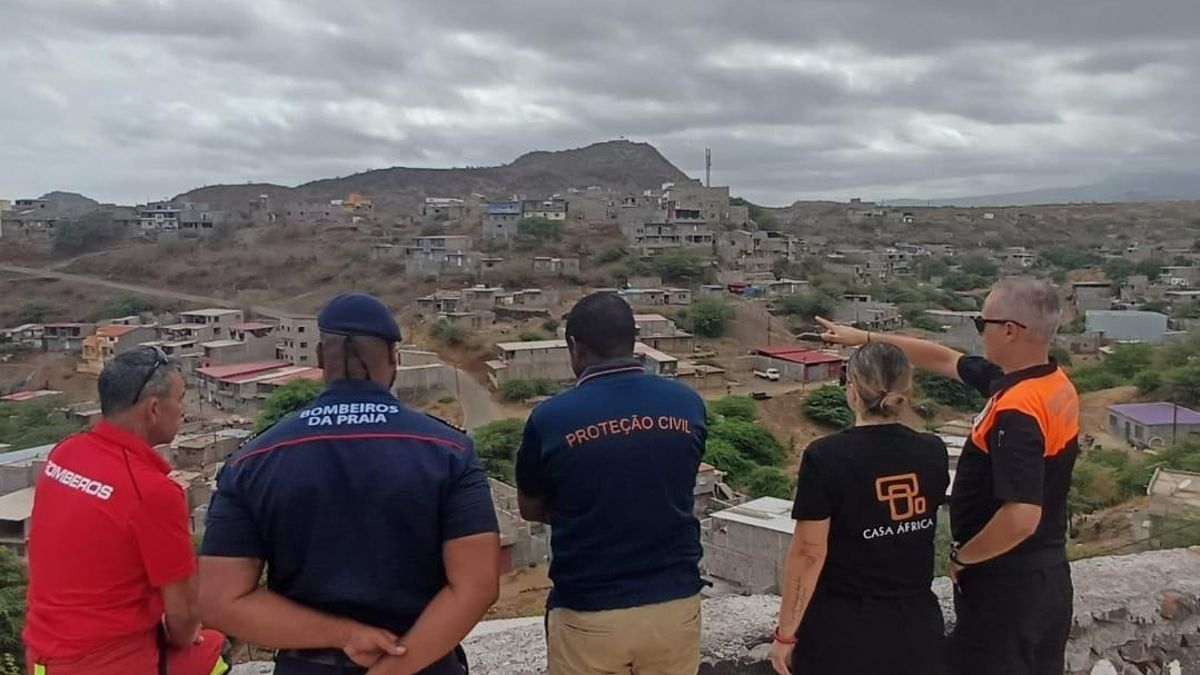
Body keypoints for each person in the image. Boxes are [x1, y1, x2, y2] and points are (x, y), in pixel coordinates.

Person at [198, 293, 500, 675]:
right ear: (395, 360)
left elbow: (220, 600)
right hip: (424, 664)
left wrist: (346, 635)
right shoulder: (448, 451)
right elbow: (477, 586)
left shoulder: (252, 460)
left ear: (322, 358)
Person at [816, 277, 1078, 675]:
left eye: (982, 323)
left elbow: (1022, 515)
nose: (979, 332)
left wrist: (963, 557)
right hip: (1048, 576)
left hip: (1007, 584)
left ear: (1009, 330)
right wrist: (864, 337)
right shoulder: (1049, 384)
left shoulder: (1017, 411)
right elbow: (942, 359)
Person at [516, 292, 707, 675]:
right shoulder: (688, 404)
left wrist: (588, 510)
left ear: (575, 347)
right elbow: (676, 482)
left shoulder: (550, 418)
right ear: (633, 340)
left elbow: (530, 507)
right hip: (675, 608)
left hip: (590, 614)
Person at [24, 347, 229, 675]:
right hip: (106, 663)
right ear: (153, 409)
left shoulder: (65, 454)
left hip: (43, 656)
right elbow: (183, 618)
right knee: (213, 649)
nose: (184, 410)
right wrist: (187, 633)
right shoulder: (153, 492)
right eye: (180, 398)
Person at [769, 342, 949, 675]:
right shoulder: (933, 450)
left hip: (843, 632)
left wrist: (785, 634)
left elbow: (809, 552)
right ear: (906, 391)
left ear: (852, 390)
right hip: (917, 629)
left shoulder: (826, 456)